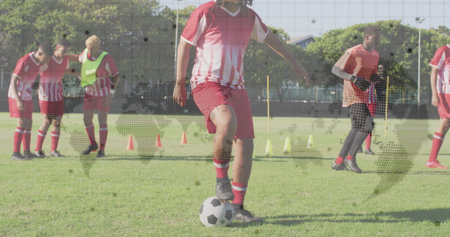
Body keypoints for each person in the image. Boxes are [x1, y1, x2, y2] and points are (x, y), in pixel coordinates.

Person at [173, 0, 309, 223]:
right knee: (226, 121)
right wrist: (179, 81)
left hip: (236, 86)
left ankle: (237, 207)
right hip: (206, 83)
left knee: (246, 144)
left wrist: (295, 62)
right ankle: (221, 180)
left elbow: (271, 39)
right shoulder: (207, 11)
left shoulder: (250, 17)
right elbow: (184, 44)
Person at [330, 26, 381, 173]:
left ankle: (338, 162)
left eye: (378, 38)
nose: (377, 40)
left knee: (355, 129)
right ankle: (350, 158)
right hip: (352, 94)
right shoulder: (353, 51)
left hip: (364, 95)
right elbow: (335, 69)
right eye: (374, 37)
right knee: (368, 125)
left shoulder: (375, 55)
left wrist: (378, 77)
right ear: (366, 37)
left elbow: (372, 75)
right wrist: (352, 78)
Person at [34, 39, 79, 158]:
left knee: (57, 122)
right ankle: (37, 150)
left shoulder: (65, 60)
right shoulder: (48, 60)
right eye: (63, 50)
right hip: (46, 94)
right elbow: (35, 70)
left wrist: (79, 74)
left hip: (58, 93)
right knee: (47, 121)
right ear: (56, 48)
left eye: (67, 51)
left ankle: (54, 150)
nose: (65, 53)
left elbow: (67, 70)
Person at [9, 42, 53, 160]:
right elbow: (13, 81)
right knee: (22, 123)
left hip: (27, 94)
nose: (46, 60)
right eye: (45, 58)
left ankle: (27, 152)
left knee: (29, 123)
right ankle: (15, 153)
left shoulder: (39, 63)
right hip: (17, 94)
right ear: (39, 53)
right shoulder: (24, 61)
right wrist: (18, 100)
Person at [78, 35, 120, 158]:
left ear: (98, 47)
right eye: (87, 48)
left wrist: (110, 95)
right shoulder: (86, 52)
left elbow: (116, 77)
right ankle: (93, 144)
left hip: (103, 93)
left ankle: (102, 150)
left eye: (91, 48)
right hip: (89, 92)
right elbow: (79, 59)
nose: (89, 51)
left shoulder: (106, 58)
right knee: (86, 119)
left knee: (102, 121)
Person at [427, 44, 450, 169]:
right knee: (445, 122)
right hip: (445, 93)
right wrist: (434, 94)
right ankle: (431, 160)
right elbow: (434, 72)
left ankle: (432, 160)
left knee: (445, 124)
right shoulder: (444, 50)